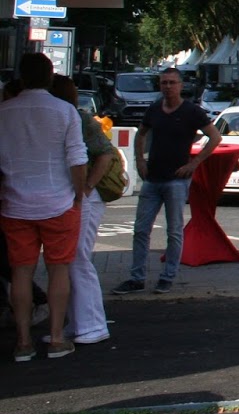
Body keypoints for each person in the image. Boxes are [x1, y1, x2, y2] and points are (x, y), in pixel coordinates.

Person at [0, 53, 88, 360]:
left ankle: (23, 342)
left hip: (14, 204)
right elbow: (77, 159)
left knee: (20, 272)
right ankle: (56, 338)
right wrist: (78, 195)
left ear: (21, 77)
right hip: (59, 201)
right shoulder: (65, 111)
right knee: (58, 270)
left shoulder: (5, 111)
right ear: (51, 77)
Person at [113, 67, 222, 296]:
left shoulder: (191, 111)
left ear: (181, 85)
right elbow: (141, 133)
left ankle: (167, 277)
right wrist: (139, 161)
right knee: (141, 230)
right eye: (164, 83)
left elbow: (215, 137)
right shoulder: (154, 109)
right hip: (152, 178)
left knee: (174, 231)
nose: (168, 87)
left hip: (176, 180)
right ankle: (137, 277)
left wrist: (195, 163)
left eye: (172, 83)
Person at [48, 75, 116, 345]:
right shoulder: (73, 116)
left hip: (85, 194)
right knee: (72, 259)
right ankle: (79, 324)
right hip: (81, 193)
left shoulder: (79, 118)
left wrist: (86, 187)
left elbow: (105, 153)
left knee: (77, 258)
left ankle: (91, 324)